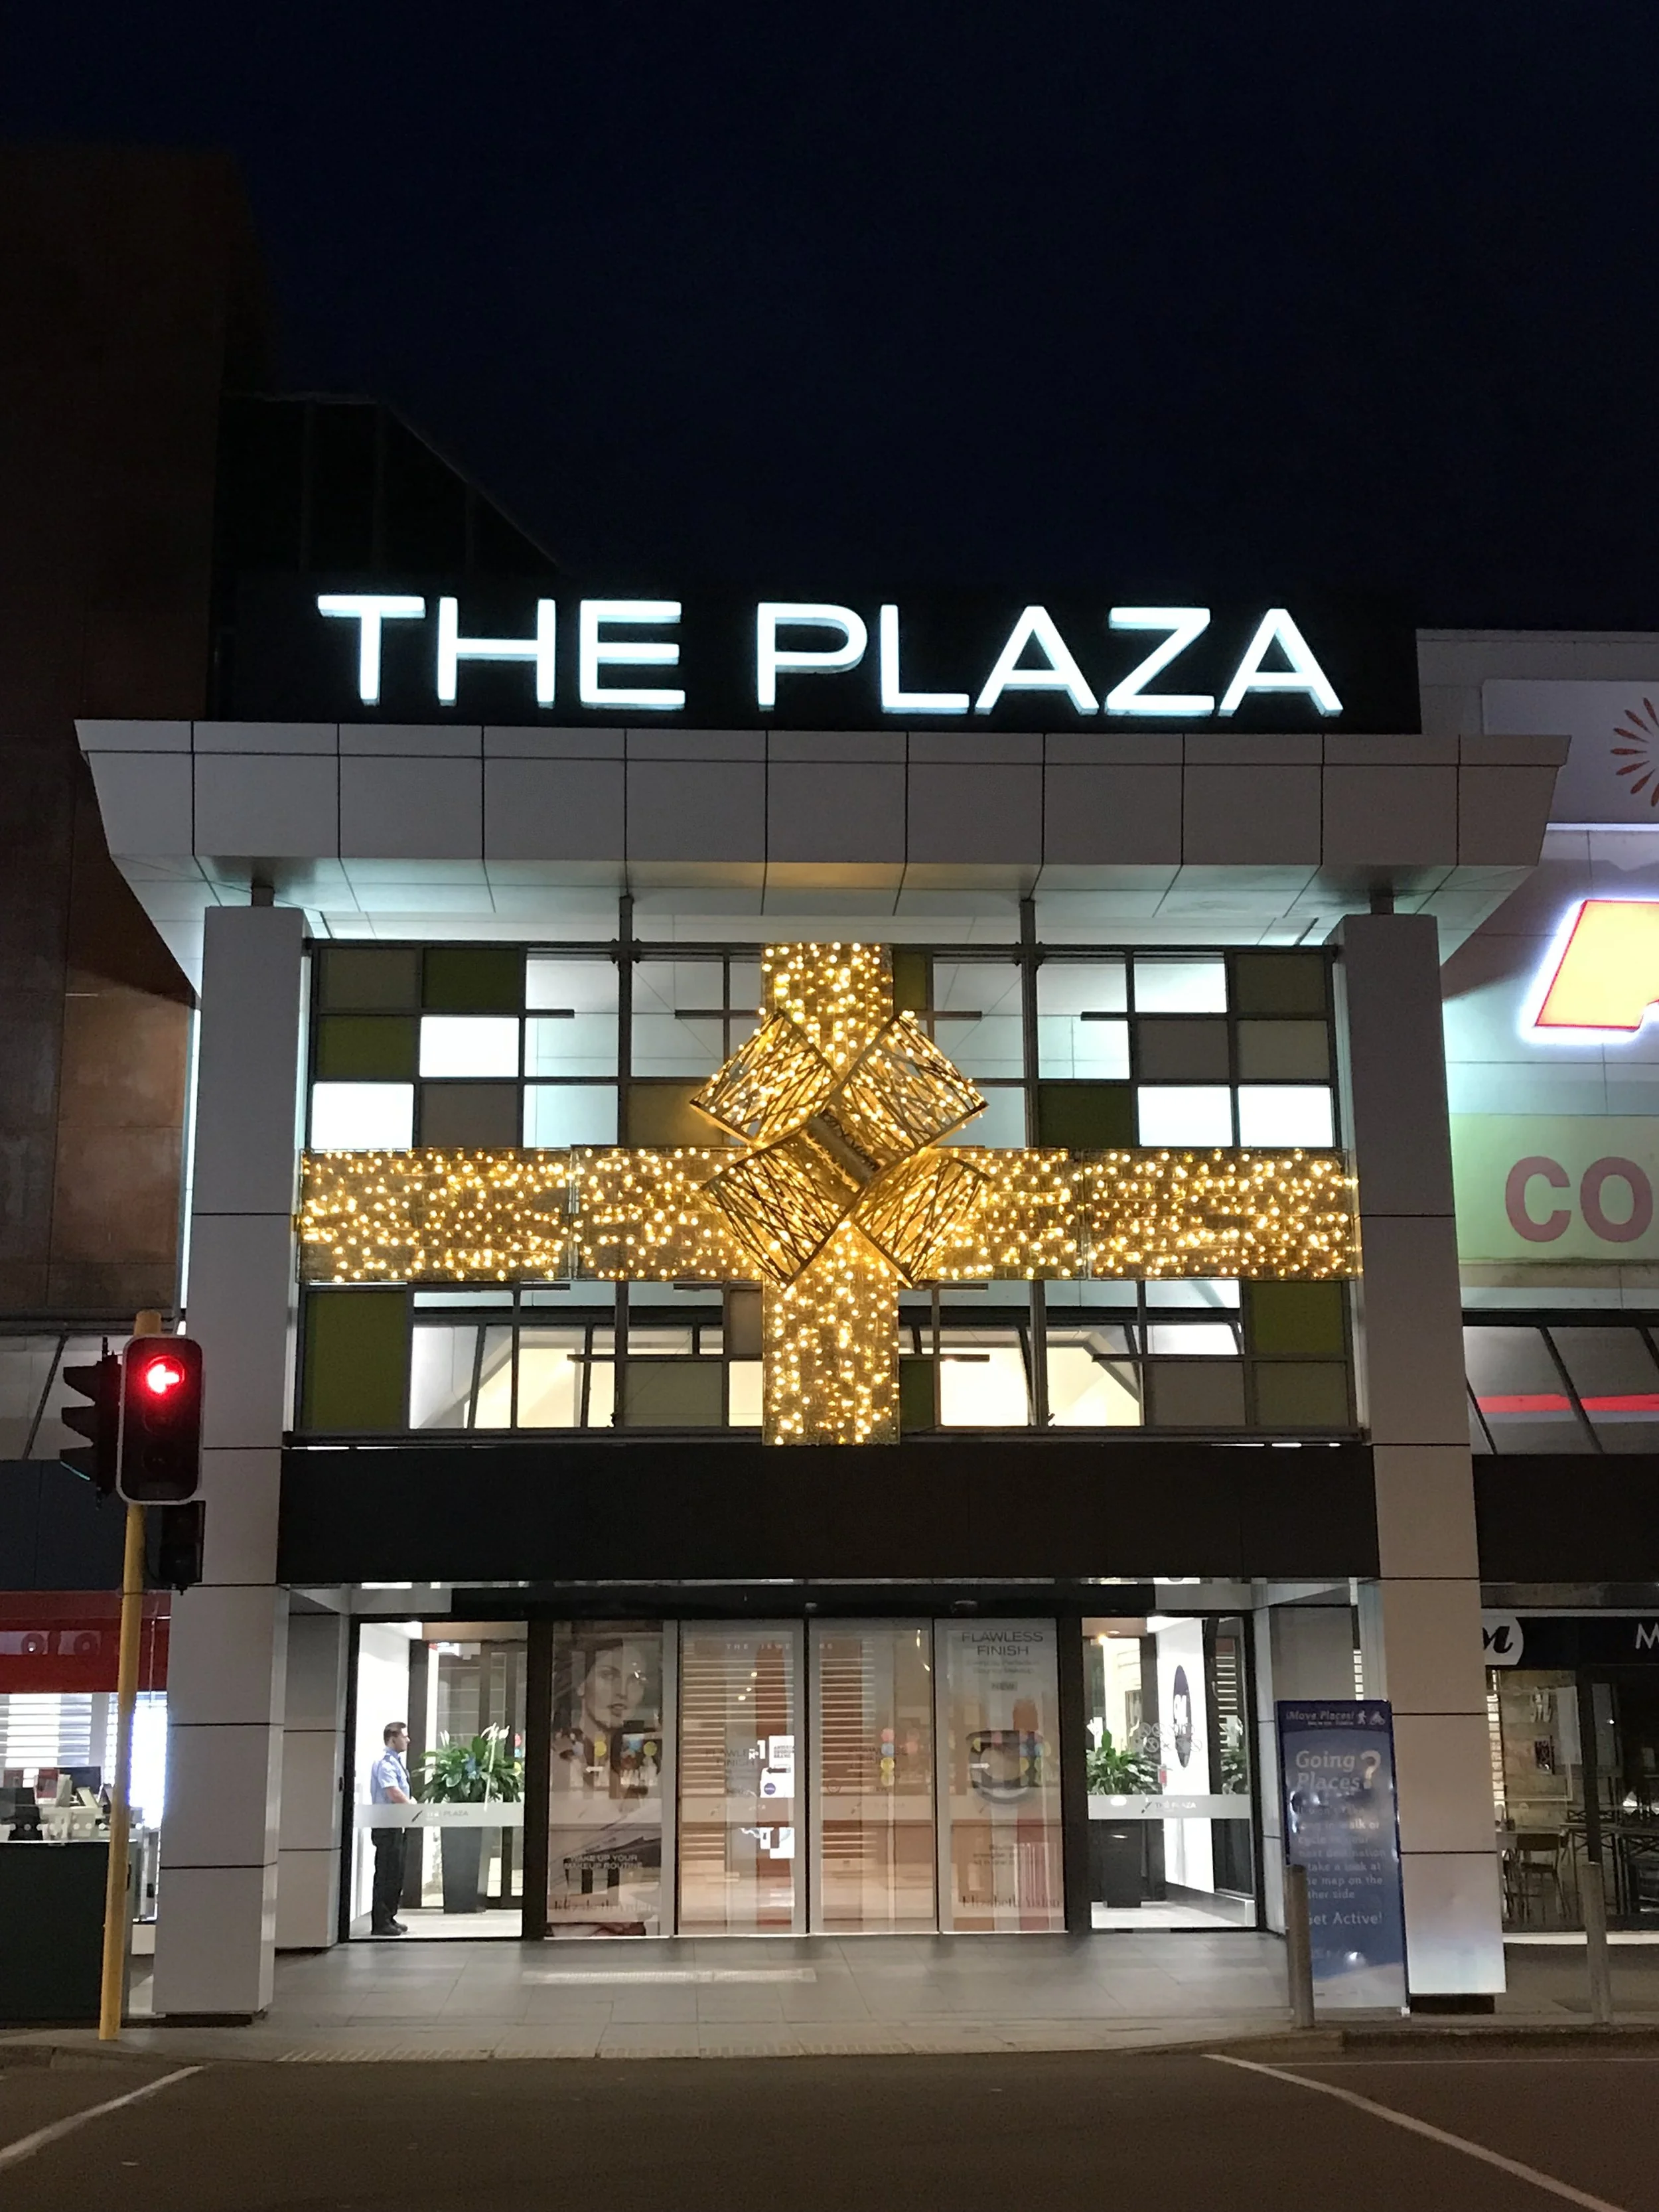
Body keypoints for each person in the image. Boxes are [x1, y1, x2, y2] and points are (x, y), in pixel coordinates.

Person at [369, 1720, 414, 1937]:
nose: (408, 1740)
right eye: (404, 1737)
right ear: (393, 1739)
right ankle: (381, 1922)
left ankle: (390, 1917)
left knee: (396, 1874)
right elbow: (393, 1792)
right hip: (386, 1826)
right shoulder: (385, 1763)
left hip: (397, 1825)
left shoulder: (396, 1762)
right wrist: (411, 1807)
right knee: (386, 1874)